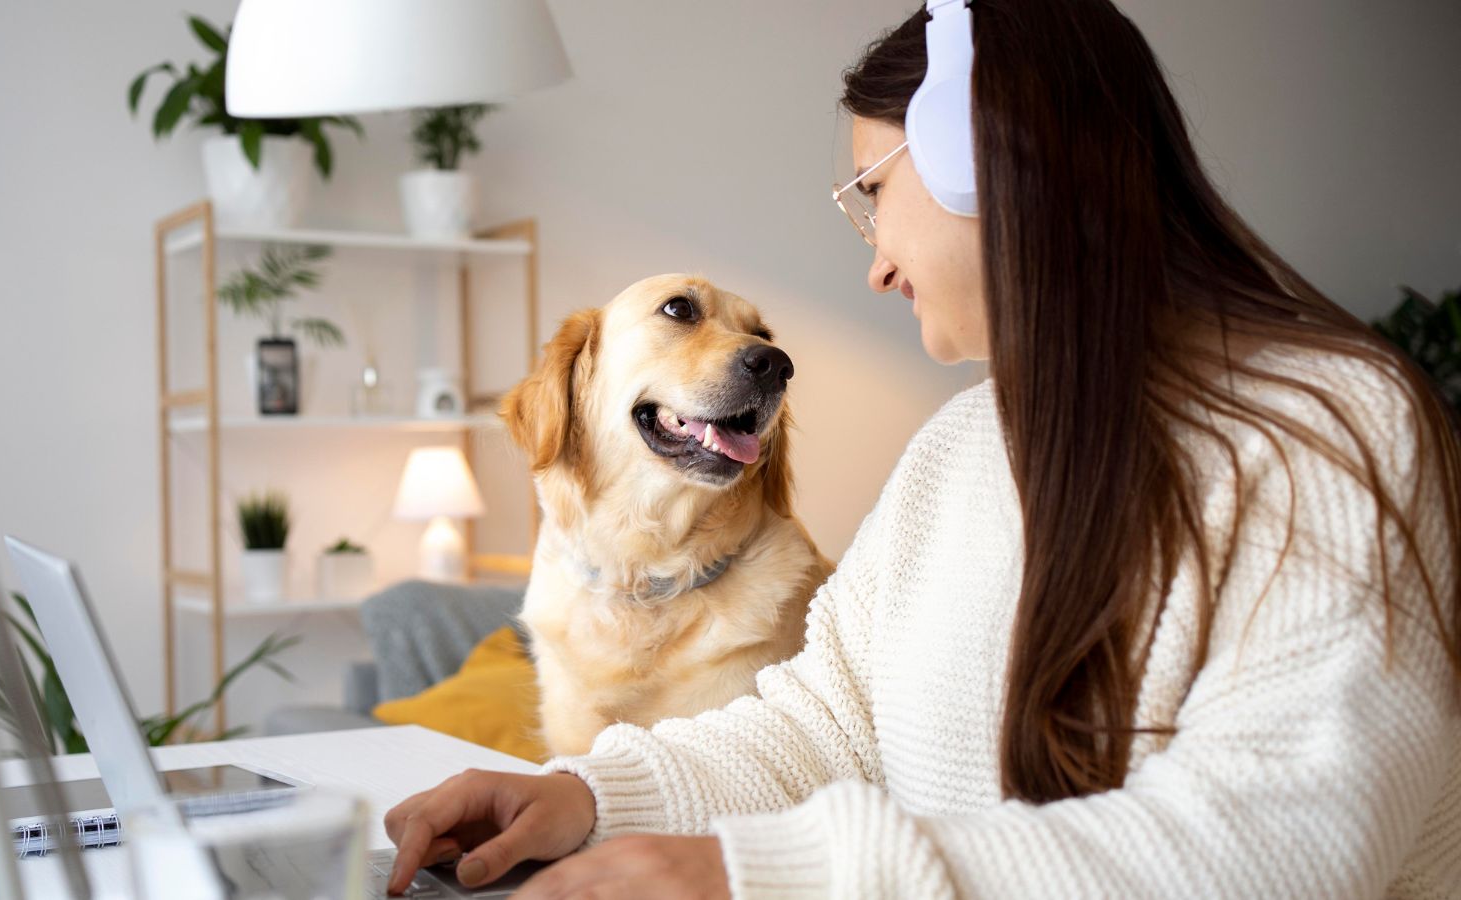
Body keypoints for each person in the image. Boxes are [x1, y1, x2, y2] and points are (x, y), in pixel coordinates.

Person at [384, 1, 1461, 897]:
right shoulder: (959, 449)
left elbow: (1280, 839)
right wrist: (585, 796)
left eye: (874, 193)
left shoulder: (1334, 429)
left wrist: (753, 873)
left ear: (988, 156)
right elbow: (825, 724)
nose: (877, 265)